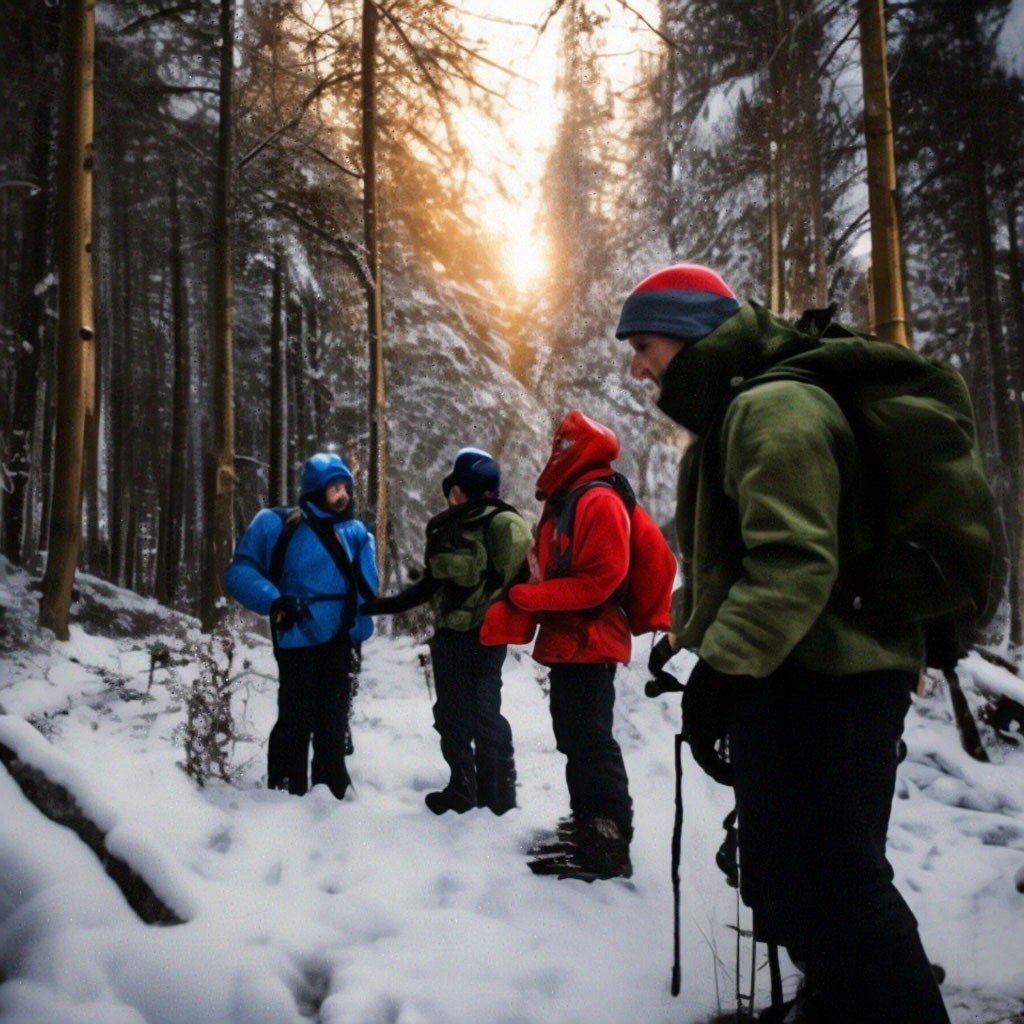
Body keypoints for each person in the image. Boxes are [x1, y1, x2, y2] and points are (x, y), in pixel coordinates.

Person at [618, 264, 950, 1021]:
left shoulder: (774, 409)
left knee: (840, 886)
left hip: (836, 680)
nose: (637, 369)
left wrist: (723, 674)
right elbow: (735, 561)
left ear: (691, 337)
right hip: (799, 673)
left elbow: (794, 562)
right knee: (790, 877)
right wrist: (690, 640)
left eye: (644, 346)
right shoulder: (737, 414)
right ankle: (837, 1003)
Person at [483, 411, 675, 881]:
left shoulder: (598, 500)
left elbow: (600, 581)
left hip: (591, 639)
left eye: (563, 444)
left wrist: (528, 597)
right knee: (576, 738)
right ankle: (590, 825)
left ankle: (606, 843)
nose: (556, 451)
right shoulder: (573, 497)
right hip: (574, 640)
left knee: (590, 741)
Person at [363, 448, 531, 816]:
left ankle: (492, 798)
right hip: (464, 637)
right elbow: (432, 585)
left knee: (479, 717)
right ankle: (471, 792)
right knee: (459, 717)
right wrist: (382, 606)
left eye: (456, 490)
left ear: (467, 490)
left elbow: (520, 582)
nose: (451, 497)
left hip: (477, 638)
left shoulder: (496, 526)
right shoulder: (454, 527)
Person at [225, 452, 377, 800]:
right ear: (315, 489)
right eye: (334, 488)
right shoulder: (277, 524)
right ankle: (285, 789)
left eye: (345, 487)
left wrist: (360, 629)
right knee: (296, 714)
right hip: (295, 634)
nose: (343, 495)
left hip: (340, 637)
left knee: (333, 717)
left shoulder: (354, 533)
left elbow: (365, 588)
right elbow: (240, 571)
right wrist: (275, 600)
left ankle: (332, 789)